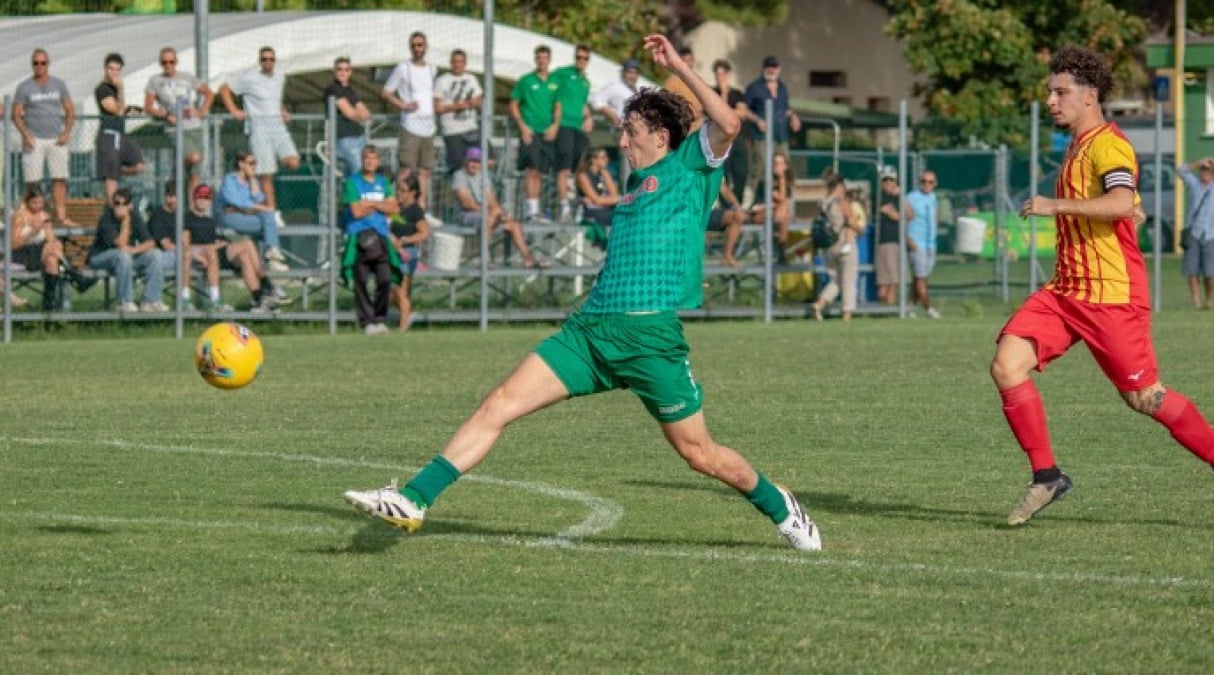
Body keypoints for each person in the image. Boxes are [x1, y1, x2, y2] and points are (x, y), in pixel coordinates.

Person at [343, 33, 821, 553]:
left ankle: (780, 506)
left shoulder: (690, 167)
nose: (621, 142)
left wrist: (679, 65)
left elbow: (728, 123)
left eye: (630, 131)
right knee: (500, 402)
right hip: (589, 332)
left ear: (661, 136)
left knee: (700, 455)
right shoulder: (638, 183)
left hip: (649, 338)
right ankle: (415, 498)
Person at [997, 45, 1214, 527]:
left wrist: (1056, 207)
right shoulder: (1076, 146)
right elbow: (1122, 203)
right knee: (1007, 365)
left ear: (1089, 95)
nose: (1052, 101)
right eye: (1050, 92)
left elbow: (1118, 200)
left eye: (1061, 92)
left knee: (1145, 398)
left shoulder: (1108, 144)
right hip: (1064, 290)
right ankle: (1047, 476)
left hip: (1110, 295)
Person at [219, 46, 301, 212]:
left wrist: (282, 110)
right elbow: (224, 89)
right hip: (259, 129)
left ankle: (270, 160)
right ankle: (271, 210)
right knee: (266, 174)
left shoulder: (279, 77)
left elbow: (274, 99)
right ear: (259, 61)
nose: (268, 62)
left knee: (294, 162)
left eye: (271, 59)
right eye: (264, 59)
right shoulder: (249, 78)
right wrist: (234, 111)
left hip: (278, 127)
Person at [452, 147, 544, 269]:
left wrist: (500, 213)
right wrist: (493, 212)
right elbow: (467, 204)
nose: (474, 164)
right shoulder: (459, 175)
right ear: (466, 161)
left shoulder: (483, 176)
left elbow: (491, 200)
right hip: (466, 215)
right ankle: (485, 259)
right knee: (489, 217)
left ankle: (528, 258)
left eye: (477, 161)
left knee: (514, 225)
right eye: (472, 161)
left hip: (486, 215)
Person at [342, 145, 401, 335]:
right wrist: (380, 205)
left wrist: (371, 203)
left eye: (374, 159)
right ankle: (367, 321)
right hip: (360, 236)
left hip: (381, 236)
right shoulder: (352, 182)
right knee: (361, 280)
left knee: (385, 278)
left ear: (378, 161)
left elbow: (394, 209)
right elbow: (356, 212)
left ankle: (380, 317)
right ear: (362, 160)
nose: (370, 162)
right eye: (367, 158)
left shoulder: (383, 182)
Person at [13, 48, 76, 226]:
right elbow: (16, 114)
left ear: (48, 64)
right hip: (35, 139)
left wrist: (66, 132)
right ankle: (29, 216)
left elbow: (70, 110)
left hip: (56, 138)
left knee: (59, 177)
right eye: (36, 63)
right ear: (32, 65)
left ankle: (61, 216)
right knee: (32, 181)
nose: (39, 66)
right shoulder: (24, 87)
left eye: (43, 63)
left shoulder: (59, 84)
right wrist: (25, 134)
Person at [144, 46, 214, 201]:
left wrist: (201, 112)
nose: (168, 65)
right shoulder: (155, 81)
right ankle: (176, 171)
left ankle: (190, 210)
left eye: (171, 62)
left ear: (176, 62)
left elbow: (209, 94)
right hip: (175, 129)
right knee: (194, 158)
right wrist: (167, 115)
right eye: (164, 62)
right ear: (160, 63)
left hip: (194, 126)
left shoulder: (187, 77)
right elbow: (148, 107)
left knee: (196, 175)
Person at [87, 188, 167, 314]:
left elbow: (150, 243)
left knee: (156, 255)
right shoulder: (106, 219)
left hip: (126, 258)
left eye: (122, 203)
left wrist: (135, 250)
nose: (119, 207)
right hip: (100, 257)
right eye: (116, 203)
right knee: (122, 255)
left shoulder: (135, 216)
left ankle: (151, 301)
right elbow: (121, 244)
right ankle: (124, 302)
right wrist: (125, 220)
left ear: (129, 205)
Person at [382, 31, 438, 208]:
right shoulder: (403, 68)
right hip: (411, 125)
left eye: (420, 45)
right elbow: (386, 92)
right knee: (407, 169)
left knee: (425, 171)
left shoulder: (432, 69)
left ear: (426, 46)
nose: (417, 49)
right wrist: (403, 105)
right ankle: (400, 205)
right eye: (414, 45)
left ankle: (420, 208)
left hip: (429, 126)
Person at [215, 150, 288, 271]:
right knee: (268, 221)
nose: (254, 166)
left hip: (248, 216)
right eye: (251, 163)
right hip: (229, 216)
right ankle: (271, 253)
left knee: (267, 218)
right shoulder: (230, 179)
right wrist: (262, 208)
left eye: (255, 163)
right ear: (241, 164)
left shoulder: (252, 181)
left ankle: (272, 254)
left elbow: (259, 199)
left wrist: (253, 178)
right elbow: (238, 202)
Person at [510, 45, 560, 221]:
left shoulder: (554, 81)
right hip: (530, 131)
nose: (542, 61)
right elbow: (514, 104)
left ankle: (536, 209)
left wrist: (555, 125)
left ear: (549, 59)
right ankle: (530, 210)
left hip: (546, 132)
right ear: (535, 59)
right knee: (531, 170)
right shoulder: (526, 80)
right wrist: (522, 127)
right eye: (539, 57)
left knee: (540, 171)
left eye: (545, 57)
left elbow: (558, 106)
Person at [743, 55, 801, 196]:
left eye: (774, 67)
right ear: (763, 68)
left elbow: (785, 108)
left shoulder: (782, 88)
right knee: (759, 167)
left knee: (785, 168)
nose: (771, 70)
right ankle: (748, 200)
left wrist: (793, 117)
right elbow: (744, 109)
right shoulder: (754, 87)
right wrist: (757, 120)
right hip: (762, 137)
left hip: (781, 136)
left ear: (779, 69)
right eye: (769, 67)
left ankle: (786, 198)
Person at [811, 174, 866, 322]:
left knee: (836, 280)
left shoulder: (822, 203)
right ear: (840, 186)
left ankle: (819, 304)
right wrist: (860, 230)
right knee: (849, 280)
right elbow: (851, 221)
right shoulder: (841, 203)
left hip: (828, 247)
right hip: (844, 243)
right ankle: (847, 313)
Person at [551, 45, 595, 223]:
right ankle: (564, 206)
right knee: (564, 165)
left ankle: (575, 198)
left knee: (581, 164)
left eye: (585, 58)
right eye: (578, 57)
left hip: (577, 126)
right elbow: (552, 93)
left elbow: (583, 104)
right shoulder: (563, 73)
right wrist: (554, 120)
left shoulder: (586, 82)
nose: (581, 61)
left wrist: (589, 116)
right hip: (563, 125)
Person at [94, 53, 145, 204]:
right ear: (105, 69)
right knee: (111, 178)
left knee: (139, 165)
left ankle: (119, 169)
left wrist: (132, 110)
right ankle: (112, 206)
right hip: (108, 135)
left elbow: (122, 110)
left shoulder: (116, 90)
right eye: (111, 69)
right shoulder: (103, 89)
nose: (114, 73)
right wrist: (121, 89)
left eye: (117, 70)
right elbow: (116, 110)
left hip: (121, 136)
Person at [9, 185, 67, 311]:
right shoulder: (20, 216)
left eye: (40, 202)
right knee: (51, 249)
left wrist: (54, 240)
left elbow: (51, 240)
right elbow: (13, 244)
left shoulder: (44, 216)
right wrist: (33, 232)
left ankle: (48, 306)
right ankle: (72, 271)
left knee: (52, 259)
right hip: (20, 255)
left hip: (39, 255)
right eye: (34, 202)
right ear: (27, 201)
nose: (38, 206)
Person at [389, 172, 429, 332]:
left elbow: (424, 233)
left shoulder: (415, 211)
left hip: (407, 253)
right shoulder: (396, 209)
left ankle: (403, 327)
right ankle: (408, 314)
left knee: (400, 291)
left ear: (413, 192)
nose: (399, 193)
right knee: (392, 293)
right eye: (398, 189)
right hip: (394, 252)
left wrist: (405, 240)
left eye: (403, 190)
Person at [434, 49, 484, 176]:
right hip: (453, 131)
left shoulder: (471, 79)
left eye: (460, 62)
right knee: (459, 168)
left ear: (465, 63)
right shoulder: (442, 80)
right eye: (455, 62)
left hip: (471, 129)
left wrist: (475, 103)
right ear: (451, 63)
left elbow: (479, 101)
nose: (457, 65)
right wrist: (457, 106)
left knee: (477, 163)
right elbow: (438, 108)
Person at [323, 56, 371, 178]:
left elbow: (366, 113)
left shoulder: (350, 90)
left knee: (361, 171)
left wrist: (358, 113)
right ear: (334, 71)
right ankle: (357, 196)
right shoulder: (333, 89)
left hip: (359, 136)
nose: (342, 72)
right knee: (359, 172)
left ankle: (353, 196)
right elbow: (350, 113)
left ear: (350, 72)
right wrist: (357, 113)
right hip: (344, 138)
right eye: (339, 69)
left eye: (346, 69)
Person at [1176, 157, 1214, 309]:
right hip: (1193, 232)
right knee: (1192, 271)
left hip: (1211, 234)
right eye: (1202, 170)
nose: (1204, 172)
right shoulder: (1194, 184)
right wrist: (1198, 162)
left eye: (1208, 170)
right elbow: (1181, 170)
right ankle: (1196, 302)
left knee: (1210, 273)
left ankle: (1209, 300)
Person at [711, 59, 749, 202]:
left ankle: (737, 202)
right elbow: (718, 112)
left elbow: (742, 113)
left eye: (722, 74)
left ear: (728, 75)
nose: (719, 77)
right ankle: (726, 206)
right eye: (717, 74)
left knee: (741, 172)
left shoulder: (737, 94)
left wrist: (728, 110)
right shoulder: (712, 92)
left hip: (737, 138)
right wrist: (724, 93)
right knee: (723, 174)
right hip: (720, 139)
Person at [906, 170, 940, 318]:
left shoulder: (933, 198)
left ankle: (909, 307)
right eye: (924, 181)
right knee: (921, 278)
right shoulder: (911, 198)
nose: (927, 185)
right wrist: (908, 239)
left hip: (930, 244)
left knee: (920, 277)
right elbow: (904, 219)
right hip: (916, 242)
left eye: (930, 182)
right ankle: (929, 308)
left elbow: (935, 217)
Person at [875, 168, 909, 305]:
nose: (889, 184)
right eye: (886, 181)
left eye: (891, 181)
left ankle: (888, 307)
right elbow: (896, 216)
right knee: (887, 281)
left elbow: (909, 214)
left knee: (893, 280)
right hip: (886, 242)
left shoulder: (899, 198)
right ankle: (886, 308)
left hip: (897, 241)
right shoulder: (881, 198)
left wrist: (901, 196)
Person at [575, 146, 619, 244]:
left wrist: (605, 173)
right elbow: (597, 200)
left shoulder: (603, 173)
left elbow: (615, 195)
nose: (607, 160)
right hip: (590, 212)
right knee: (620, 218)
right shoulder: (583, 175)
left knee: (625, 214)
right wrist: (611, 200)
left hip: (604, 209)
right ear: (593, 159)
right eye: (603, 157)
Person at [749, 151, 794, 247]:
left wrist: (782, 179)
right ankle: (781, 252)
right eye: (775, 163)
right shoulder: (766, 182)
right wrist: (781, 178)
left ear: (785, 166)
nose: (777, 166)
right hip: (760, 212)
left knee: (784, 216)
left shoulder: (788, 183)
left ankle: (779, 249)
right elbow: (781, 199)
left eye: (780, 163)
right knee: (784, 211)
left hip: (776, 215)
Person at [590, 58, 644, 132]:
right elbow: (596, 99)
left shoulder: (637, 91)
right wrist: (611, 114)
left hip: (631, 132)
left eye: (636, 73)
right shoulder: (615, 86)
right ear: (623, 73)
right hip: (616, 130)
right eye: (630, 72)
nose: (633, 76)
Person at [662, 46, 702, 129]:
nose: (687, 63)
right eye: (684, 61)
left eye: (689, 60)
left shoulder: (699, 80)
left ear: (693, 60)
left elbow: (702, 105)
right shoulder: (673, 81)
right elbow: (664, 103)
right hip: (679, 128)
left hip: (696, 129)